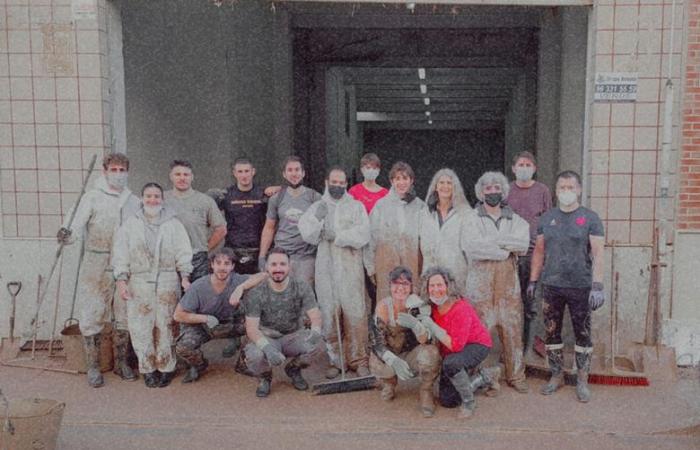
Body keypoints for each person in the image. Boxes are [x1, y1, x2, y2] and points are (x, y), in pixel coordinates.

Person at [56, 152, 141, 388]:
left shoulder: (133, 201)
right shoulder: (92, 198)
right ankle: (93, 366)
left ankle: (122, 362)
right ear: (104, 171)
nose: (117, 174)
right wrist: (66, 233)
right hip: (96, 262)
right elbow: (74, 224)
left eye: (121, 170)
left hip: (125, 264)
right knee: (92, 312)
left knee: (124, 312)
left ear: (127, 172)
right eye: (113, 170)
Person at [528, 170, 605, 403]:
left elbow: (599, 253)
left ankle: (582, 378)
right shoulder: (547, 219)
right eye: (562, 187)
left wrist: (598, 284)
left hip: (580, 286)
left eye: (571, 187)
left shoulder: (590, 218)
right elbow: (539, 252)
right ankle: (556, 375)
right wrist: (533, 280)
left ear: (579, 190)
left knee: (582, 332)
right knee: (552, 331)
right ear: (556, 190)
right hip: (552, 285)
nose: (566, 192)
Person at [113, 182, 193, 388]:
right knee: (141, 327)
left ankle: (166, 367)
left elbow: (183, 251)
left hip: (167, 280)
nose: (152, 200)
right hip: (139, 282)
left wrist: (184, 276)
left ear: (162, 199)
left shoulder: (173, 224)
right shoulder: (130, 224)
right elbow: (121, 254)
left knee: (166, 325)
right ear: (142, 199)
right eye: (148, 196)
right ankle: (147, 369)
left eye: (156, 196)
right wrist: (122, 281)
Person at [461, 171, 530, 394]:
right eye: (488, 189)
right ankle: (479, 376)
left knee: (512, 330)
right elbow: (472, 246)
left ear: (503, 191)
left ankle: (516, 375)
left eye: (496, 188)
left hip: (508, 286)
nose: (493, 192)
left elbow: (522, 244)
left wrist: (495, 242)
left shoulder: (516, 219)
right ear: (481, 193)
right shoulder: (471, 218)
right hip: (479, 286)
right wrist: (502, 250)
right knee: (478, 333)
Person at [299, 167, 371, 379]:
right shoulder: (318, 206)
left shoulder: (356, 207)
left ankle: (359, 360)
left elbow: (363, 234)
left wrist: (338, 235)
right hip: (326, 269)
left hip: (350, 269)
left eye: (342, 183)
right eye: (334, 182)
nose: (338, 186)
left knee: (355, 314)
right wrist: (317, 221)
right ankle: (336, 361)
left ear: (346, 184)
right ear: (327, 182)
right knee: (329, 314)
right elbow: (307, 233)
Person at [173, 247, 266, 383]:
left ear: (233, 266)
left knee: (257, 329)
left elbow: (263, 275)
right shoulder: (199, 286)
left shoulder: (238, 280)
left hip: (231, 323)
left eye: (227, 264)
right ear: (212, 265)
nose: (222, 268)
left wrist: (242, 288)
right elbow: (178, 315)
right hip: (204, 327)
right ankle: (198, 365)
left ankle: (243, 364)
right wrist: (204, 318)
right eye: (218, 263)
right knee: (183, 346)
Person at [241, 248, 324, 398]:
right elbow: (251, 329)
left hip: (293, 336)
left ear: (289, 266)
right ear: (266, 267)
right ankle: (265, 376)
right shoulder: (256, 292)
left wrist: (316, 330)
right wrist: (267, 348)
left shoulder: (301, 286)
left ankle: (293, 369)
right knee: (254, 355)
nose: (278, 269)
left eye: (282, 264)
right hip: (267, 337)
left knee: (318, 345)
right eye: (273, 264)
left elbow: (315, 314)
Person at [418, 267, 499, 419]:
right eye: (432, 285)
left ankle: (469, 403)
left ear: (448, 286)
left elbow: (456, 346)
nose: (436, 289)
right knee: (448, 401)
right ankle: (484, 377)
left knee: (451, 364)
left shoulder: (461, 308)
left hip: (477, 345)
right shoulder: (433, 308)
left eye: (440, 285)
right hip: (452, 350)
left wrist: (432, 325)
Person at [368, 266, 441, 418]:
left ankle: (426, 391)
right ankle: (389, 383)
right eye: (396, 284)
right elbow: (377, 343)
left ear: (411, 287)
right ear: (390, 286)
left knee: (431, 353)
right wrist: (393, 360)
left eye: (405, 284)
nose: (400, 288)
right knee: (376, 363)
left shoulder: (418, 305)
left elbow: (427, 340)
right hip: (391, 354)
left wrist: (416, 325)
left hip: (410, 354)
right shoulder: (383, 306)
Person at [506, 151, 552, 352]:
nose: (524, 168)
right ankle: (512, 348)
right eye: (520, 165)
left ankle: (528, 348)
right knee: (511, 304)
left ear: (535, 169)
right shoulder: (506, 190)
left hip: (535, 257)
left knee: (531, 304)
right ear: (513, 169)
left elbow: (549, 222)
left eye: (528, 165)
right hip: (511, 257)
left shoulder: (542, 191)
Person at [365, 161, 425, 302]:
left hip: (412, 265)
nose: (401, 182)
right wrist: (370, 267)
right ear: (392, 181)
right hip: (386, 264)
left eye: (405, 178)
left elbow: (427, 240)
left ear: (411, 180)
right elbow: (371, 238)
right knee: (387, 304)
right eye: (397, 178)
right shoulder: (381, 206)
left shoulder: (420, 207)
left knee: (411, 303)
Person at [258, 156, 322, 286]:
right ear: (284, 174)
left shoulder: (314, 197)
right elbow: (269, 228)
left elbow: (322, 228)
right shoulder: (276, 198)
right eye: (290, 170)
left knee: (303, 296)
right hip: (281, 255)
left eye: (297, 170)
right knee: (280, 294)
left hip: (306, 257)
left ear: (303, 173)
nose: (294, 173)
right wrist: (262, 256)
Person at [213, 157, 280, 275]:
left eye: (247, 171)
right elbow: (204, 210)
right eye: (240, 172)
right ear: (234, 173)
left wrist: (279, 188)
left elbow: (291, 193)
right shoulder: (226, 195)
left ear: (253, 172)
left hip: (259, 250)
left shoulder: (264, 193)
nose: (244, 175)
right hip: (233, 250)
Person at [164, 160, 227, 283]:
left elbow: (221, 229)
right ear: (171, 177)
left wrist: (204, 249)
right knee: (169, 298)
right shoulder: (162, 199)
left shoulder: (205, 201)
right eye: (178, 174)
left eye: (186, 175)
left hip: (197, 259)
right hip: (168, 259)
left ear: (192, 177)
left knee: (197, 297)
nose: (182, 178)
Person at [419, 168, 472, 297]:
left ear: (455, 187)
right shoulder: (425, 213)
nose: (445, 186)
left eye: (449, 183)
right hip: (430, 272)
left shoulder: (465, 213)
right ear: (435, 187)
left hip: (456, 272)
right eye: (441, 182)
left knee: (454, 307)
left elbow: (470, 248)